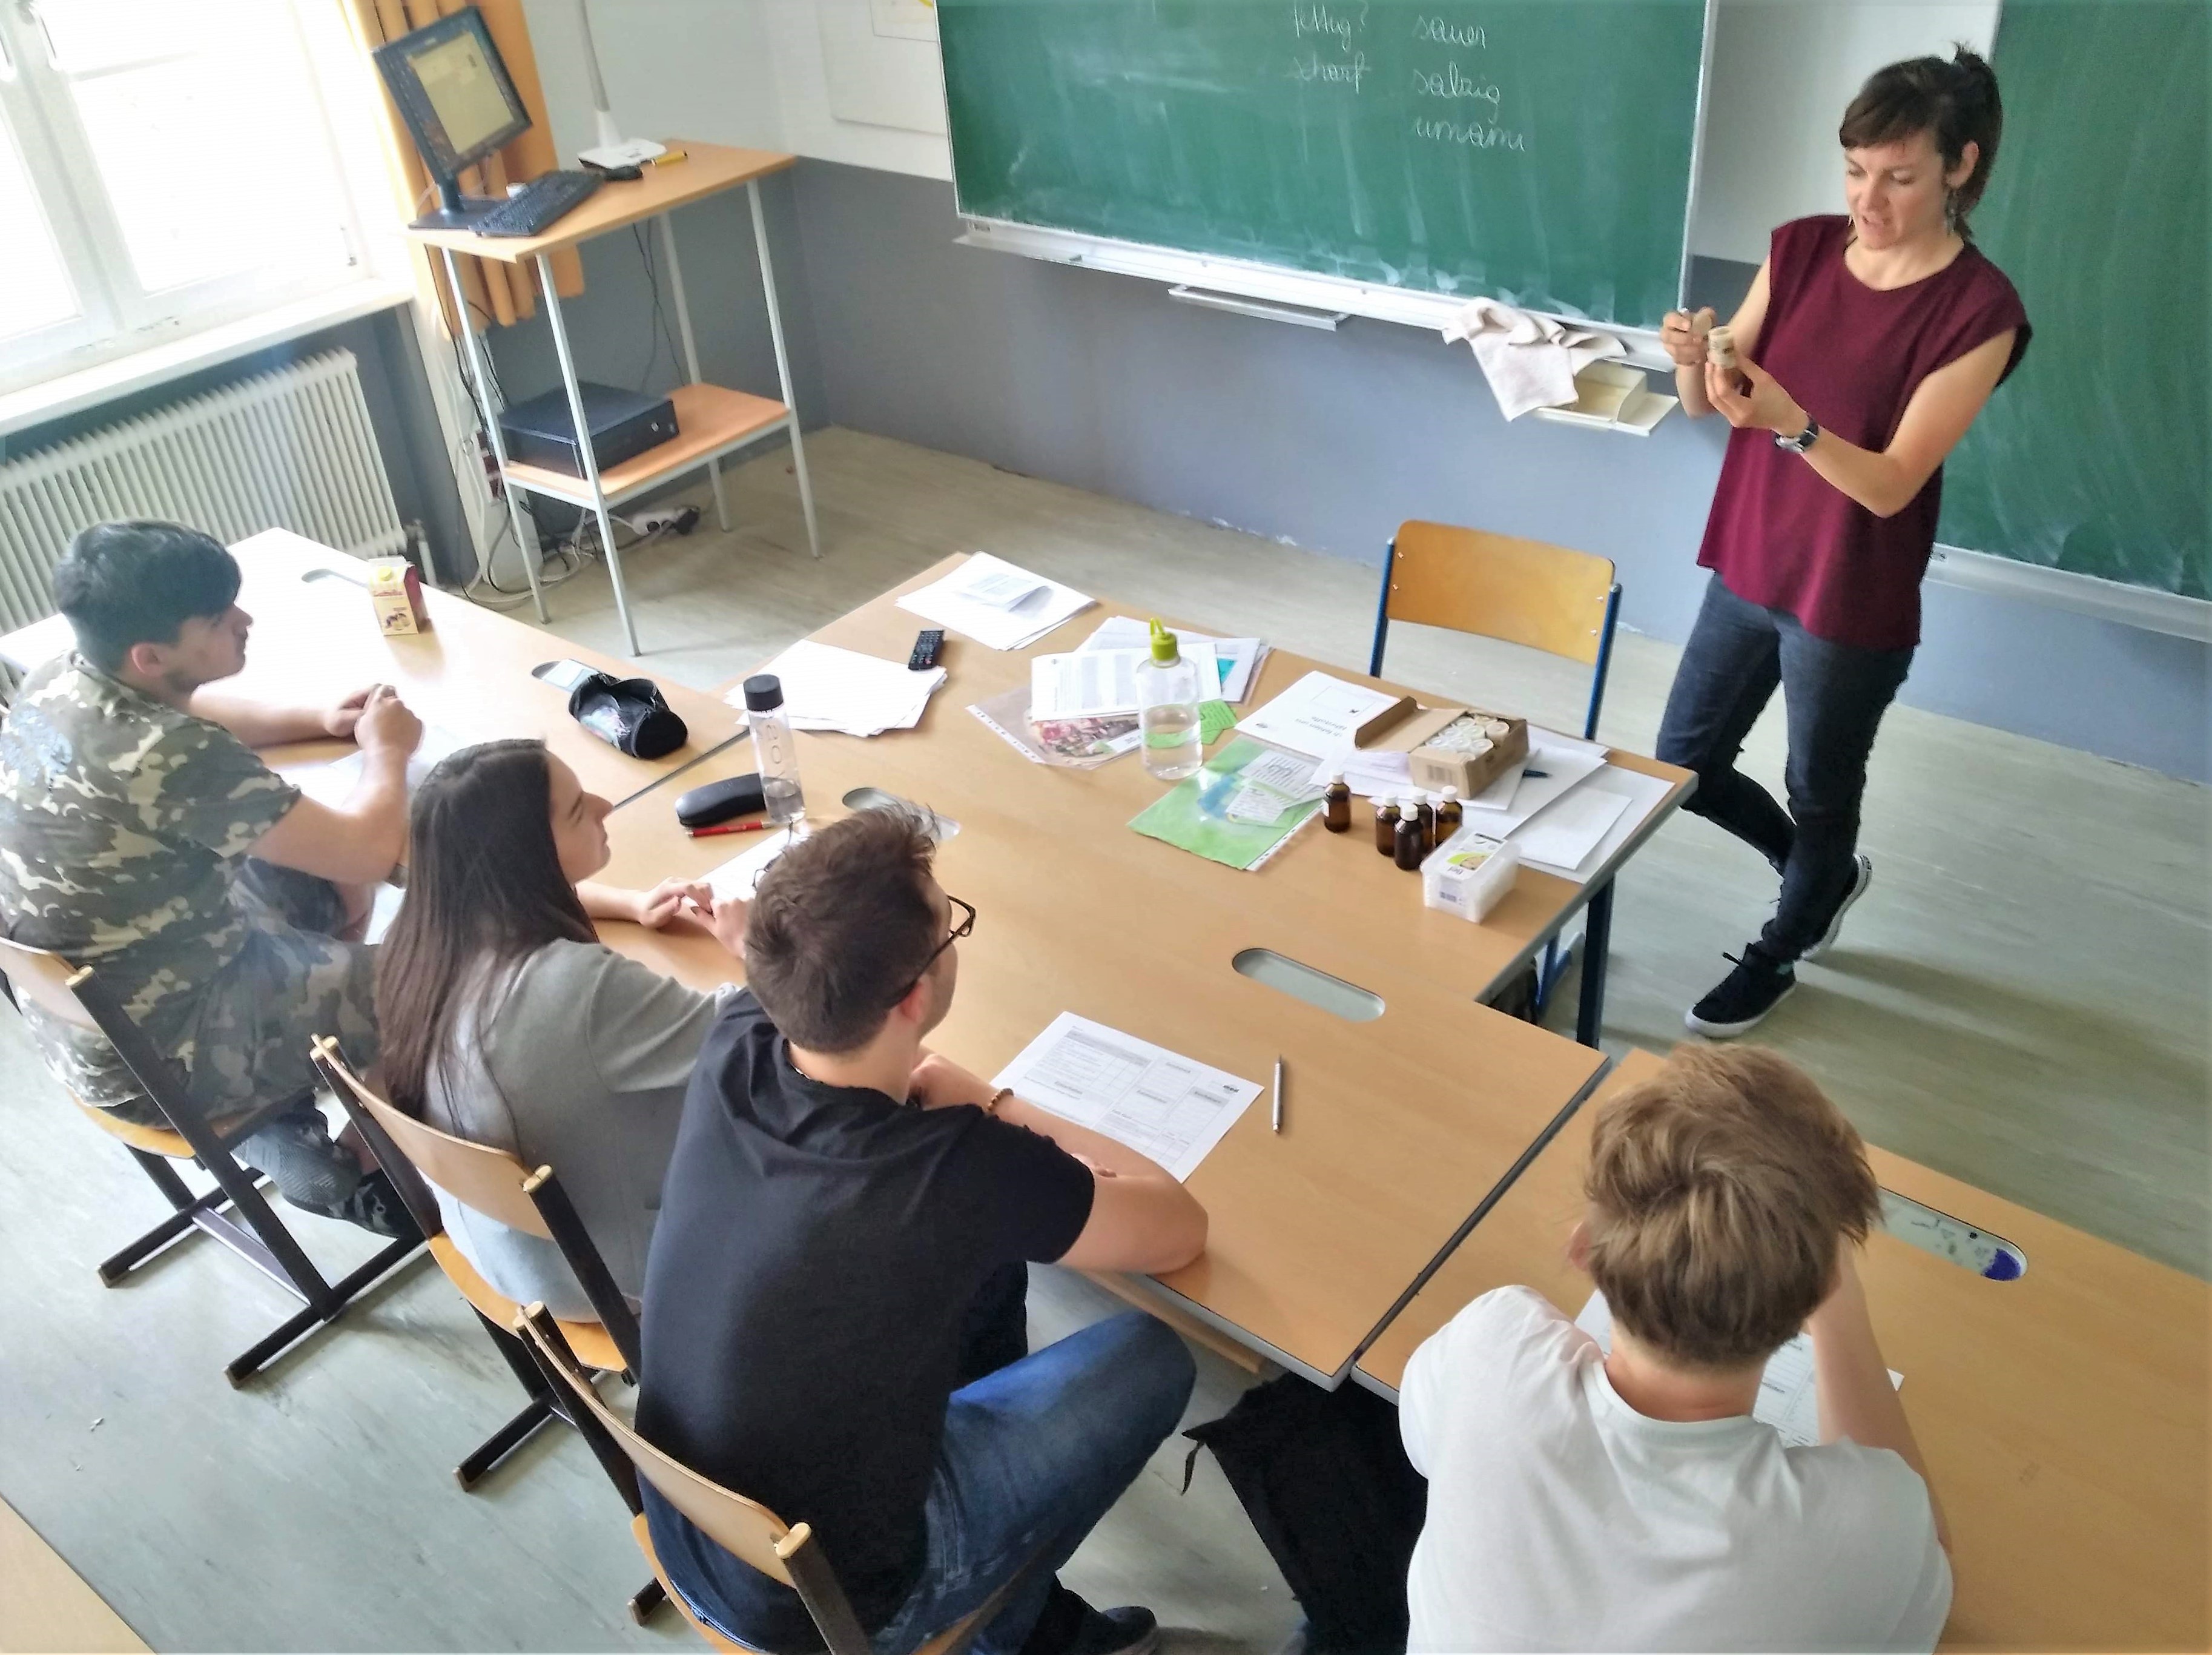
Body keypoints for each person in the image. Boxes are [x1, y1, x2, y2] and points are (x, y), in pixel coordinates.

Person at [637, 807, 1207, 1655]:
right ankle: (1012, 1631)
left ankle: (1015, 1607)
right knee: (1151, 1356)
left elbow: (764, 984)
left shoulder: (739, 1039)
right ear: (913, 996)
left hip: (693, 1526)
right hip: (843, 1604)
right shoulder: (954, 1170)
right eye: (951, 927)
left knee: (986, 1270)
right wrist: (990, 1101)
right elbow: (1177, 1226)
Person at [1656, 48, 2031, 1036]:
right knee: (1683, 762)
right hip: (1751, 553)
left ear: (1959, 167)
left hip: (1849, 590)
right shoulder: (1799, 248)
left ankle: (1782, 942)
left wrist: (1794, 422)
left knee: (1819, 789)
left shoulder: (1979, 314)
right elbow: (1714, 405)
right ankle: (1815, 881)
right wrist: (1693, 363)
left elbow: (1892, 480)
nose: (1868, 198)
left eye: (1898, 177)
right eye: (1856, 170)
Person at [1399, 1045, 1950, 1652]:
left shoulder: (1490, 1348)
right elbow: (1928, 1585)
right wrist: (1838, 1311)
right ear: (1822, 1290)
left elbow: (1424, 1444)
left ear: (1581, 1251)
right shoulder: (1866, 1532)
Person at [0, 520, 427, 1234]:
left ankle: (286, 1112)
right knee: (433, 980)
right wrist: (387, 752)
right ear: (150, 654)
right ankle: (362, 1167)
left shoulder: (57, 679)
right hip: (168, 1055)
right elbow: (369, 851)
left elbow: (191, 712)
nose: (244, 621)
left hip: (88, 1023)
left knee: (314, 887)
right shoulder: (166, 755)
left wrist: (314, 716)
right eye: (219, 619)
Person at [374, 738, 749, 1315]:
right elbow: (755, 1026)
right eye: (577, 809)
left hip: (506, 1251)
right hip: (616, 1276)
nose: (604, 804)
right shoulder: (580, 989)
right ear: (526, 854)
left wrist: (629, 903)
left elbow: (525, 894)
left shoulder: (418, 941)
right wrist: (753, 945)